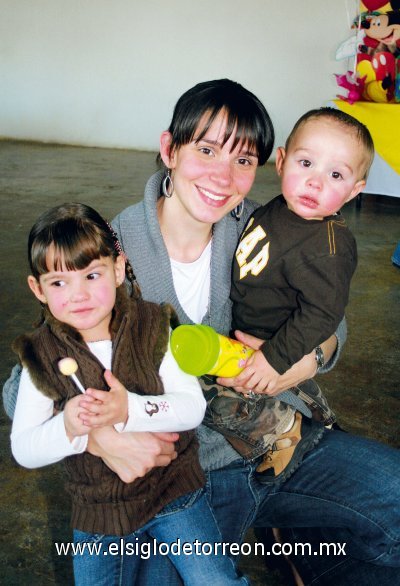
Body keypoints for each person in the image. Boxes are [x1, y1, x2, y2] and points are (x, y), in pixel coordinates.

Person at [4, 79, 400, 585]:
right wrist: (98, 438)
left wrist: (301, 361)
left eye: (242, 159)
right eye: (206, 149)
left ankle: (308, 552)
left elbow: (330, 316)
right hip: (187, 475)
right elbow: (23, 388)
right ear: (169, 149)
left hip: (281, 440)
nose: (222, 175)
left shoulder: (267, 225)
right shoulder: (109, 255)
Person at [10, 203, 248, 586]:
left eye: (92, 275)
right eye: (58, 282)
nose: (78, 295)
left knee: (216, 580)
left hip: (174, 495)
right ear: (37, 289)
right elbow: (24, 448)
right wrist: (70, 427)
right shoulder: (38, 356)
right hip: (99, 513)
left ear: (118, 269)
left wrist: (129, 409)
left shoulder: (153, 325)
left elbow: (192, 408)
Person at [206, 107, 374, 478]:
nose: (315, 183)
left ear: (355, 189)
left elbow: (323, 314)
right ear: (281, 161)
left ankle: (294, 430)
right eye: (306, 163)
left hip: (276, 348)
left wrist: (274, 359)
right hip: (247, 339)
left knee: (223, 405)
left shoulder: (329, 247)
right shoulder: (278, 209)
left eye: (335, 174)